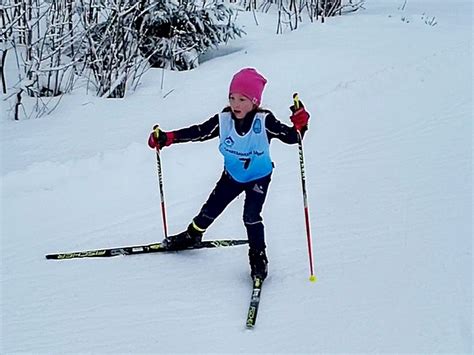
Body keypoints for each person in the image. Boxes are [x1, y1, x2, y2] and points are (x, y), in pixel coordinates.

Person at [148, 68, 310, 280]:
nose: (235, 104)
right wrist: (168, 138)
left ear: (255, 101)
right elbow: (199, 132)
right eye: (232, 98)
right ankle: (193, 235)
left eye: (242, 99)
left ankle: (258, 256)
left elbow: (292, 137)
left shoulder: (264, 121)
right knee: (210, 209)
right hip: (232, 176)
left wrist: (301, 124)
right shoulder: (223, 120)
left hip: (258, 177)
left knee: (251, 216)